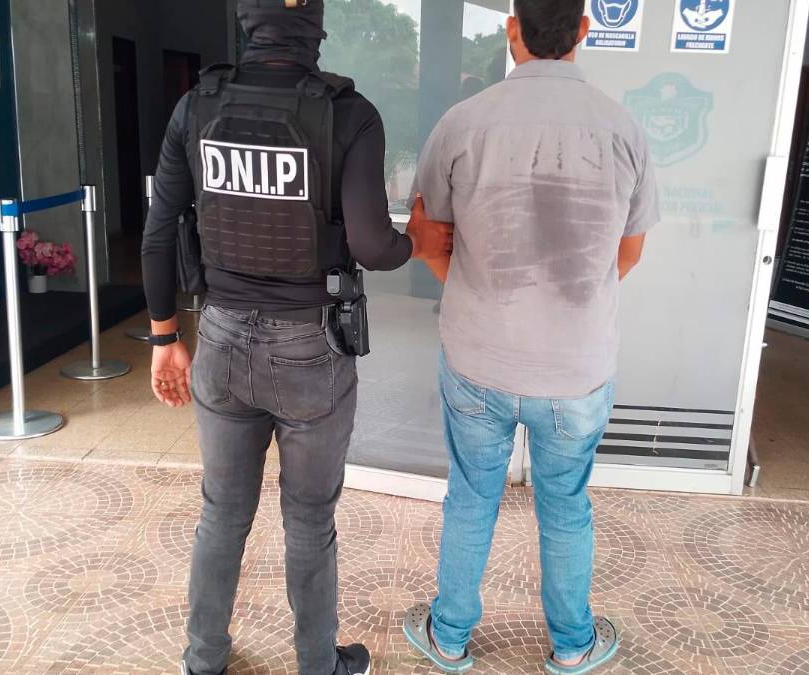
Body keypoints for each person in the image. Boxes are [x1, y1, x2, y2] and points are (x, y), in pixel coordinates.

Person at [139, 2, 452, 674]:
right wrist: (419, 242)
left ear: (245, 24)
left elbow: (159, 231)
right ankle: (318, 664)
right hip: (311, 346)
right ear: (316, 26)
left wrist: (165, 336)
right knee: (308, 519)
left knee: (222, 513)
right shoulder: (350, 113)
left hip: (220, 338)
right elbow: (372, 245)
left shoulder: (196, 106)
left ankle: (203, 660)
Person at [402, 1, 659, 673]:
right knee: (566, 504)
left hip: (477, 356)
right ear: (584, 29)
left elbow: (428, 240)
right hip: (577, 367)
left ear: (511, 30)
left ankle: (449, 636)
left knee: (471, 495)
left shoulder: (462, 122)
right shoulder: (623, 128)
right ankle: (573, 645)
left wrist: (476, 288)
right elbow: (628, 254)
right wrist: (569, 303)